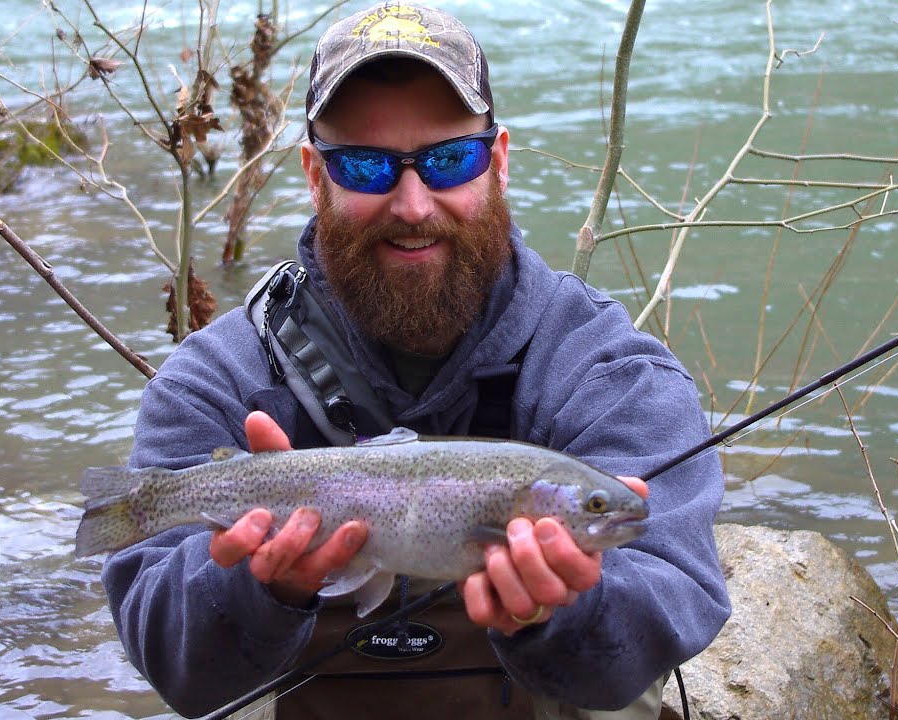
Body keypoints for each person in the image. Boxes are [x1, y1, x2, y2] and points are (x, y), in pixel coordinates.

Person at [101, 3, 731, 719]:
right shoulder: (217, 379)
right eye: (366, 166)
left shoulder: (608, 374)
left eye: (448, 159)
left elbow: (672, 601)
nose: (412, 203)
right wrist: (261, 591)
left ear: (497, 163)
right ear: (315, 176)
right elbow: (174, 668)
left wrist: (565, 609)